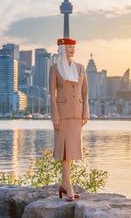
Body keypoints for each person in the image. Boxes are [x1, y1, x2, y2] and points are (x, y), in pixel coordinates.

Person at [49, 38, 89, 201]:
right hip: (62, 114)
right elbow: (52, 94)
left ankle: (64, 185)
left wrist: (85, 112)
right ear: (61, 50)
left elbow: (85, 92)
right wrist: (55, 116)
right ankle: (69, 187)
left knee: (71, 152)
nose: (72, 50)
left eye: (73, 47)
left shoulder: (80, 68)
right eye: (68, 48)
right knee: (65, 152)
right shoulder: (55, 69)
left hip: (77, 114)